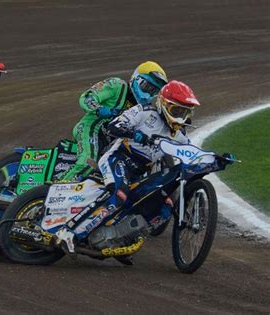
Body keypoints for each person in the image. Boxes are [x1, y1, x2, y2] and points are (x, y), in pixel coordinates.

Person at [55, 80, 200, 254]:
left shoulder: (180, 136)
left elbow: (193, 154)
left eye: (185, 112)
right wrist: (134, 134)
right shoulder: (144, 112)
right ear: (164, 105)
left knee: (165, 205)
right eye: (178, 111)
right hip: (117, 158)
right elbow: (113, 126)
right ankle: (69, 230)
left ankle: (118, 239)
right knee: (119, 194)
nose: (182, 118)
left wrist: (216, 159)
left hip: (138, 173)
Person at [59, 61, 168, 181]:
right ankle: (54, 190)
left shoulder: (145, 110)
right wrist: (98, 109)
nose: (148, 94)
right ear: (137, 79)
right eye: (147, 87)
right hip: (91, 129)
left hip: (112, 144)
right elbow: (87, 97)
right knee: (87, 162)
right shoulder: (117, 86)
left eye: (153, 91)